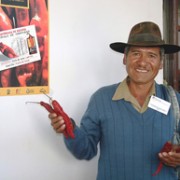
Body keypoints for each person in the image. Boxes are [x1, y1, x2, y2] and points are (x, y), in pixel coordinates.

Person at [48, 21, 180, 180]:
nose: (143, 62)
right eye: (136, 53)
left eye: (151, 55)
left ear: (161, 63)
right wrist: (68, 129)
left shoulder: (175, 101)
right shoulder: (101, 99)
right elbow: (85, 151)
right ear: (125, 58)